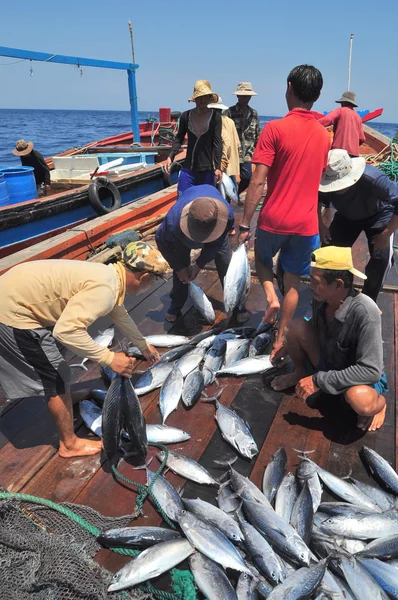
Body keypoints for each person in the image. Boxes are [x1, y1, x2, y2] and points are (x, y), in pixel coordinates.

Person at [0, 242, 166, 459]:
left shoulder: (110, 276)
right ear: (143, 277)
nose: (151, 285)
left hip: (16, 295)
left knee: (58, 358)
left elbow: (119, 314)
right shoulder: (104, 290)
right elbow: (66, 332)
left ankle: (65, 397)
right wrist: (108, 358)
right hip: (12, 314)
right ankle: (69, 444)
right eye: (153, 281)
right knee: (56, 375)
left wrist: (143, 345)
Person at [237, 65, 331, 362]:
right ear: (316, 95)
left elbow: (258, 180)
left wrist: (244, 223)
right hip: (306, 224)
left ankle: (270, 297)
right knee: (293, 282)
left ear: (289, 87)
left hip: (274, 218)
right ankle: (279, 339)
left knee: (263, 262)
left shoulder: (274, 129)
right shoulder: (322, 136)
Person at [271, 246, 387, 432]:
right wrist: (286, 346)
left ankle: (380, 403)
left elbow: (371, 370)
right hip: (330, 361)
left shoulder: (366, 312)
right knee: (295, 327)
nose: (310, 285)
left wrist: (318, 380)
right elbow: (314, 326)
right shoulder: (322, 298)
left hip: (357, 378)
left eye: (315, 281)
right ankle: (300, 373)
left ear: (339, 285)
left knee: (361, 402)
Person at [156, 184, 249, 323]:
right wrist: (179, 267)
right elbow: (161, 241)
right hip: (181, 237)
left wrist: (199, 264)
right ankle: (176, 305)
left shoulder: (226, 215)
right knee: (181, 271)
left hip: (217, 231)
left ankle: (237, 305)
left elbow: (216, 244)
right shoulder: (173, 221)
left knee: (226, 265)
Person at [318, 149, 398, 303]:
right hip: (346, 216)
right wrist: (320, 224)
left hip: (379, 215)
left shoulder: (373, 178)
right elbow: (316, 199)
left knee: (381, 259)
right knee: (329, 253)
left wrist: (386, 233)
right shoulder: (323, 177)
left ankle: (368, 301)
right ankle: (338, 292)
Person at [165, 80, 222, 197]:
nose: (202, 100)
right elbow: (179, 138)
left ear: (209, 98)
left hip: (207, 170)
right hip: (188, 169)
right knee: (183, 200)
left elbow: (217, 143)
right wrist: (171, 156)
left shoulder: (216, 117)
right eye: (199, 97)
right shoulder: (186, 116)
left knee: (206, 204)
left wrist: (218, 167)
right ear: (195, 98)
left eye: (205, 97)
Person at [208, 96, 241, 234]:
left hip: (218, 167)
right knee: (227, 198)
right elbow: (237, 145)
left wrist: (219, 166)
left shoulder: (214, 122)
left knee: (218, 197)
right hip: (230, 166)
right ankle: (229, 226)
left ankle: (225, 227)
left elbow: (225, 145)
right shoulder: (230, 122)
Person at [225, 82, 261, 195]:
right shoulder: (229, 112)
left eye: (247, 96)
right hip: (233, 153)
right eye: (243, 95)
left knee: (247, 177)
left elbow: (257, 135)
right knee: (229, 179)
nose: (245, 98)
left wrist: (255, 152)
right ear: (238, 96)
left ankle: (235, 194)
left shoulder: (254, 113)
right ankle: (228, 199)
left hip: (247, 154)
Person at [318, 91, 365, 157]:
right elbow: (362, 138)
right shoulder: (358, 117)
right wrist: (353, 146)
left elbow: (327, 120)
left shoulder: (340, 111)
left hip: (338, 153)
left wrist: (311, 124)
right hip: (354, 154)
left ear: (343, 102)